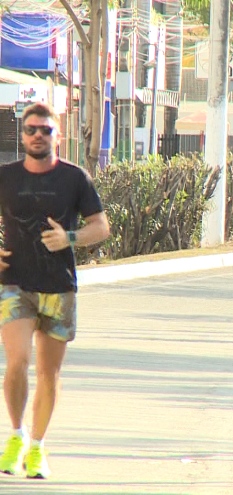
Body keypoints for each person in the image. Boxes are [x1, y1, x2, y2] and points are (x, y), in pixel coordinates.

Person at [0, 103, 110, 479]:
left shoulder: (75, 179)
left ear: (57, 135)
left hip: (58, 286)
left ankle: (37, 446)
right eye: (31, 129)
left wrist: (71, 237)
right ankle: (15, 435)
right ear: (23, 133)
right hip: (14, 282)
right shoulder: (6, 176)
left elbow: (101, 226)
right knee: (17, 362)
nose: (36, 135)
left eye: (45, 130)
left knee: (49, 373)